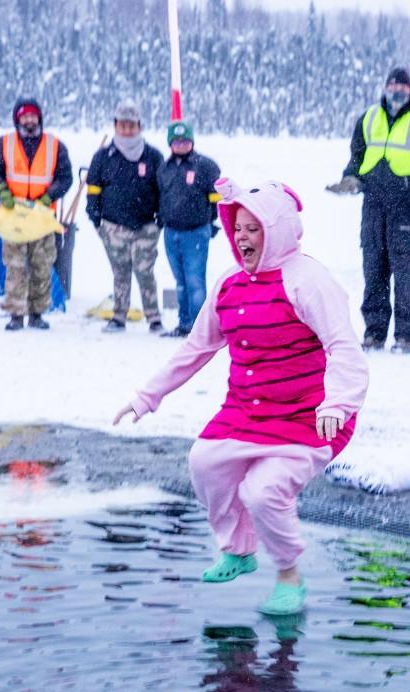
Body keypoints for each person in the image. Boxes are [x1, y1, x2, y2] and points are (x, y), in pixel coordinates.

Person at [114, 178, 368, 615]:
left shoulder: (308, 281)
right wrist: (147, 396)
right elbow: (196, 347)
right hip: (245, 411)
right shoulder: (230, 284)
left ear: (278, 229)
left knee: (262, 492)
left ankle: (289, 575)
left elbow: (344, 348)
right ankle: (239, 549)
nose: (242, 237)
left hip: (307, 416)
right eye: (237, 228)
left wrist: (337, 404)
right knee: (205, 462)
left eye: (254, 228)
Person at [327, 66, 410, 354]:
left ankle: (406, 335)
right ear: (384, 87)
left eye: (402, 88)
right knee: (373, 269)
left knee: (404, 272)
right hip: (373, 206)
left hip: (407, 206)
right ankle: (374, 332)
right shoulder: (368, 118)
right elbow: (357, 158)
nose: (396, 92)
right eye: (392, 86)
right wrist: (350, 179)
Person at [0, 97, 74, 331]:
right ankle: (16, 313)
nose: (29, 120)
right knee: (15, 267)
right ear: (17, 119)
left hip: (42, 216)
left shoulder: (55, 145)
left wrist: (49, 196)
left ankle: (37, 313)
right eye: (24, 116)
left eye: (33, 116)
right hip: (13, 215)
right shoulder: (3, 144)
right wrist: (1, 189)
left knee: (41, 265)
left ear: (40, 118)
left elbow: (66, 177)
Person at [86, 100, 165, 333]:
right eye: (123, 125)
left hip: (146, 225)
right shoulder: (103, 157)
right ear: (115, 125)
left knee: (144, 271)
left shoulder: (153, 156)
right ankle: (119, 316)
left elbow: (163, 189)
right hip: (113, 226)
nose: (127, 130)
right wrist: (94, 214)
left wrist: (161, 216)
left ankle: (154, 318)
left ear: (140, 126)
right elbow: (93, 187)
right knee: (120, 271)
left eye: (131, 125)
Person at [157, 119, 221, 338]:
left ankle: (200, 329)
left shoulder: (205, 166)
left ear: (191, 141)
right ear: (170, 144)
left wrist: (211, 221)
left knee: (195, 282)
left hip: (195, 232)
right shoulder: (164, 168)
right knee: (180, 282)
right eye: (176, 141)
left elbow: (216, 198)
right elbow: (160, 197)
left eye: (185, 141)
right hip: (171, 233)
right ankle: (184, 324)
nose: (181, 145)